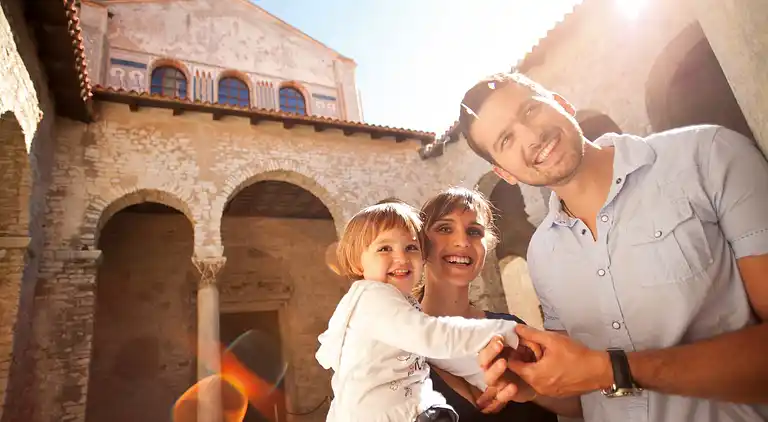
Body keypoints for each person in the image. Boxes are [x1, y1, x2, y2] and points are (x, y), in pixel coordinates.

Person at [456, 71, 768, 421]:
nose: (531, 137)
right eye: (506, 140)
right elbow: (583, 395)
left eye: (529, 111)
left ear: (561, 103)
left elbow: (597, 373)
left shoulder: (707, 155)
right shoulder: (542, 253)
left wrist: (613, 369)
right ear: (505, 173)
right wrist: (535, 387)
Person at [315, 201, 533, 422]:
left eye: (411, 248)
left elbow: (439, 354)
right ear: (357, 262)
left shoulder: (402, 305)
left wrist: (486, 377)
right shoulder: (372, 297)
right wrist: (498, 331)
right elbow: (431, 338)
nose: (401, 258)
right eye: (384, 248)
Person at [413, 186, 564, 421]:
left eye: (474, 232)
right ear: (420, 244)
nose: (462, 241)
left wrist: (530, 388)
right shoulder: (398, 344)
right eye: (445, 228)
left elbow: (574, 406)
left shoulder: (513, 330)